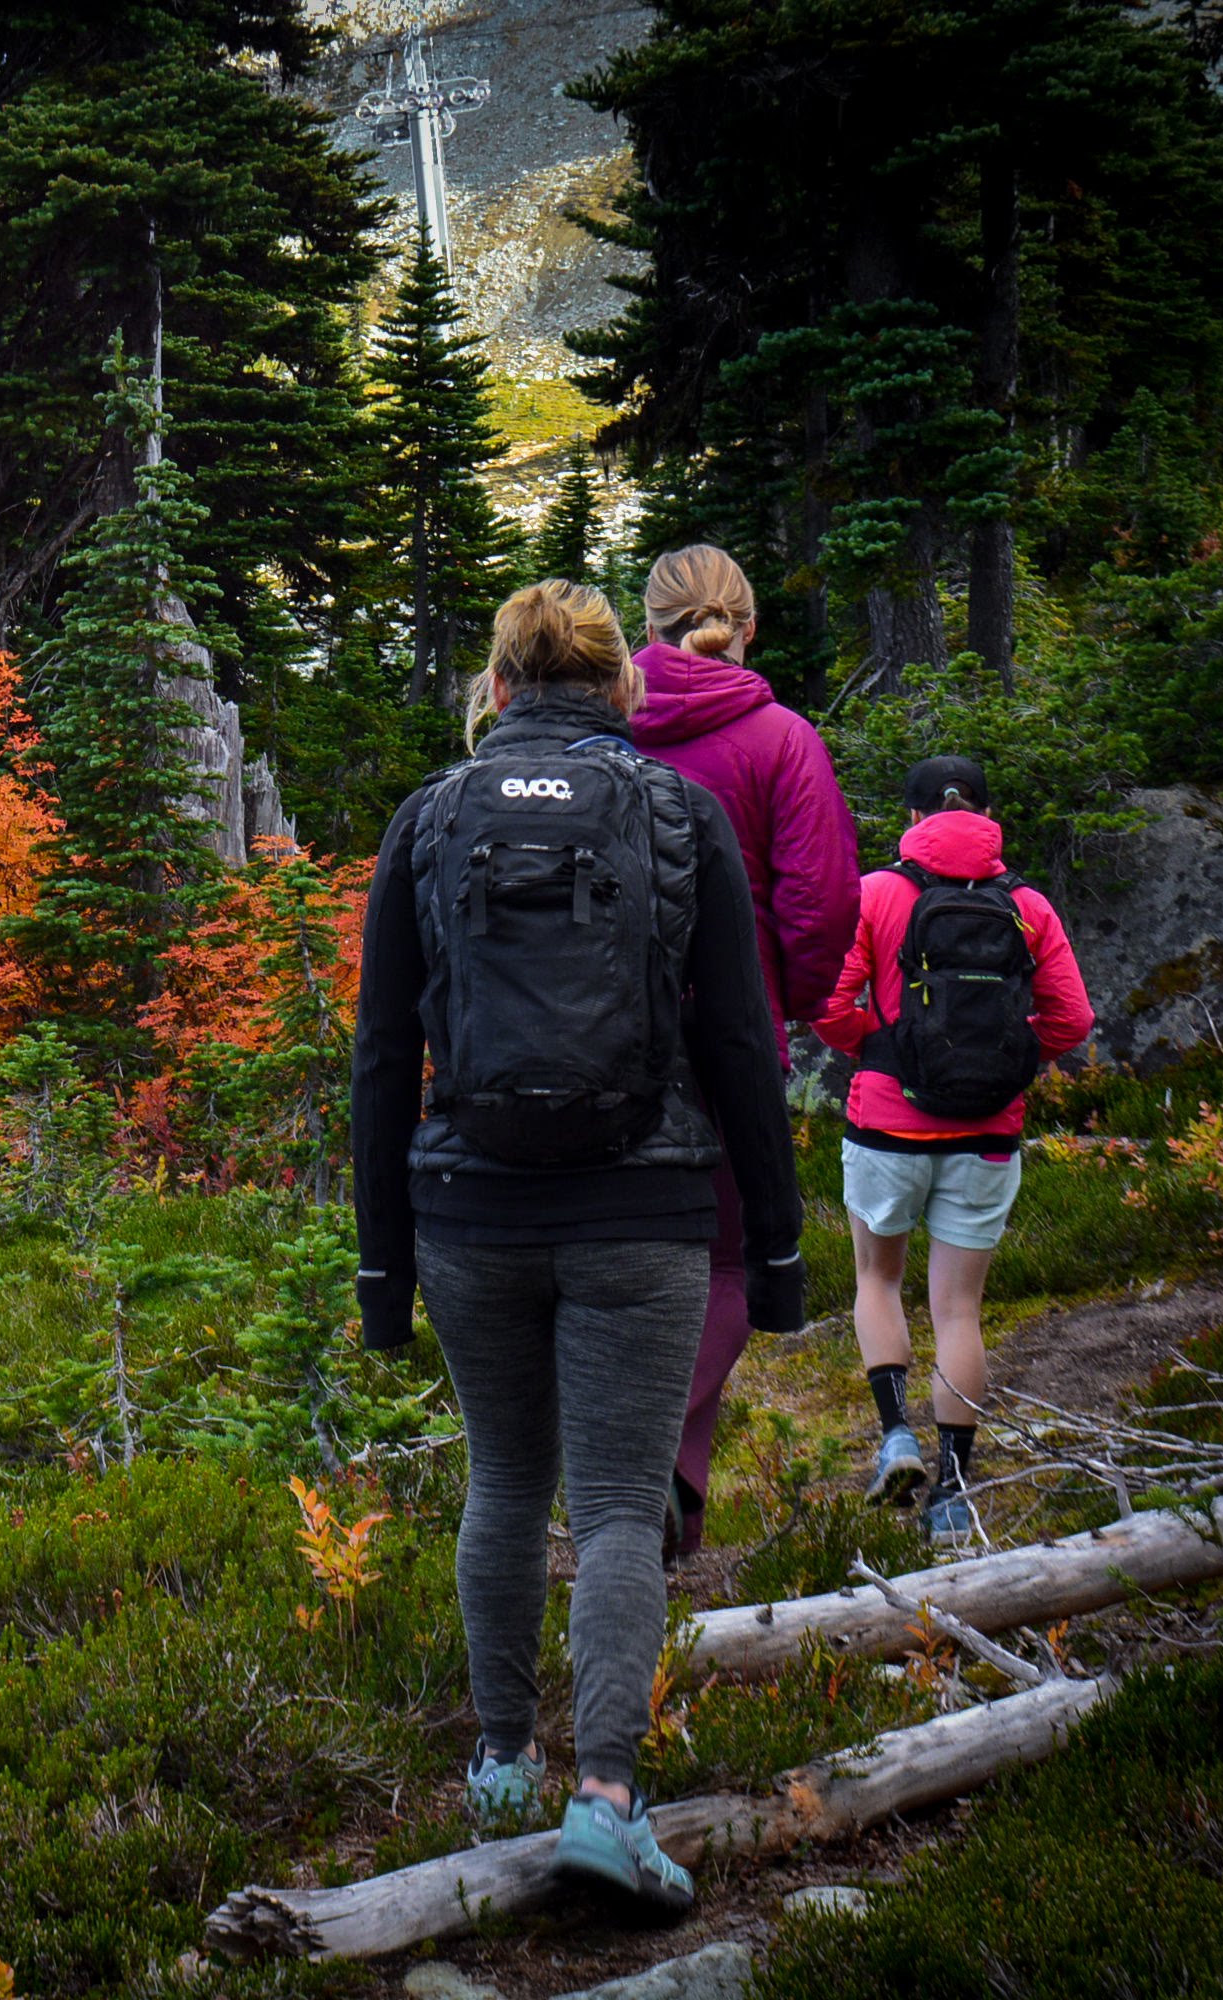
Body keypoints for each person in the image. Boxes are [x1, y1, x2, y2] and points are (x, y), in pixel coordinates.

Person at [351, 579, 805, 1916]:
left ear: (497, 690)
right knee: (615, 1505)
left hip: (470, 1216)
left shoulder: (430, 820)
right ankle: (605, 1801)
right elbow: (737, 1043)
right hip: (642, 1209)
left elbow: (383, 1061)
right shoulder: (680, 813)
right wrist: (774, 1250)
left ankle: (499, 1764)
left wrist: (383, 1274)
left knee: (503, 1482)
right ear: (626, 691)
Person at [630, 546, 859, 1559]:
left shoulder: (599, 727)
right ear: (747, 627)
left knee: (616, 1258)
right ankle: (641, 1467)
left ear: (649, 624)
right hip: (729, 1039)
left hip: (596, 1037)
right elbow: (819, 907)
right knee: (724, 1263)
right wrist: (793, 1003)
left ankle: (675, 1509)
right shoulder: (780, 740)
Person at [814, 756, 1094, 1547]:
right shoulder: (1028, 906)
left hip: (886, 1126)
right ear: (989, 814)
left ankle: (894, 1435)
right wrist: (1012, 1063)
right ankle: (955, 1495)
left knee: (878, 1277)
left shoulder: (876, 894)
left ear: (910, 819)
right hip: (988, 1135)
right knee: (959, 1310)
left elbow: (829, 1002)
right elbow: (1071, 1020)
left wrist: (879, 1049)